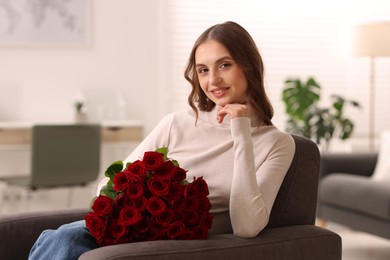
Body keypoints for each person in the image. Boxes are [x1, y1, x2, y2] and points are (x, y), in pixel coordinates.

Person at [28, 21, 295, 260]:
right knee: (61, 237)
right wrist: (137, 206)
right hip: (131, 231)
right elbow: (107, 185)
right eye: (202, 70)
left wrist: (241, 131)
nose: (213, 80)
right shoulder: (177, 123)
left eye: (224, 65)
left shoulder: (277, 144)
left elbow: (247, 227)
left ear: (248, 66)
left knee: (65, 239)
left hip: (173, 246)